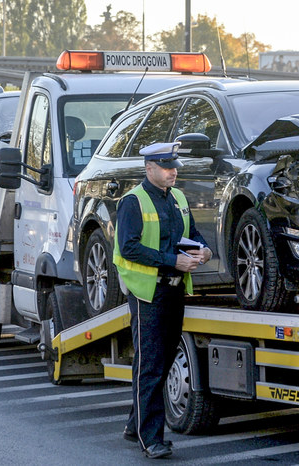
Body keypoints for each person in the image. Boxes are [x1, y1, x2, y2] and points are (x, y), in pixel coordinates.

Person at [113, 141, 212, 459]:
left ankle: (135, 424)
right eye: (167, 167)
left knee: (164, 360)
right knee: (151, 365)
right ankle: (150, 439)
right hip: (147, 293)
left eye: (174, 167)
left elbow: (192, 232)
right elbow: (128, 248)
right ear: (149, 168)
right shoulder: (133, 201)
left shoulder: (179, 197)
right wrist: (174, 261)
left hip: (174, 289)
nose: (173, 172)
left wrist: (204, 249)